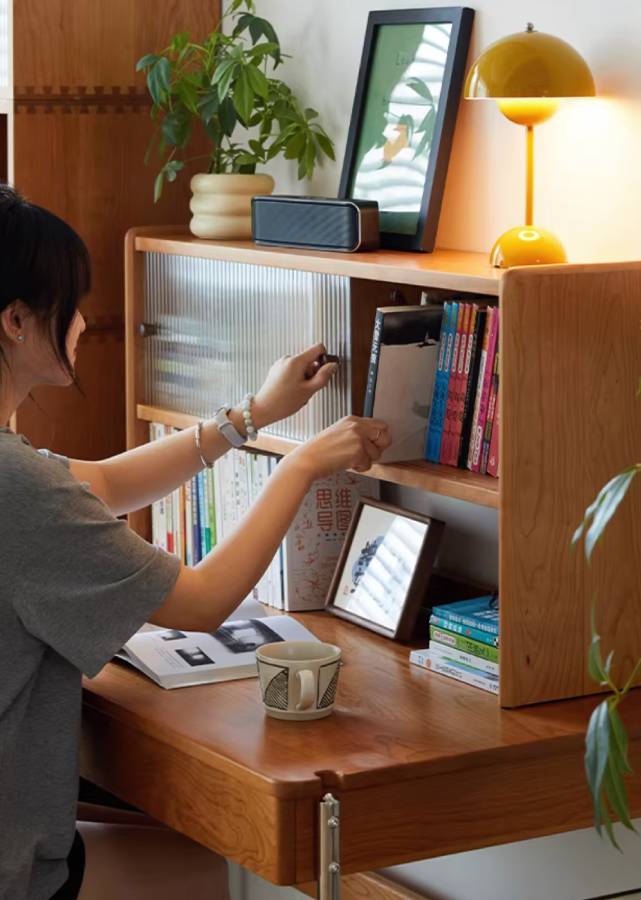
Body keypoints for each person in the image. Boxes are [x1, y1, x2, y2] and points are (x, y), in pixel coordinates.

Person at [0, 184, 391, 900]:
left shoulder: (14, 472)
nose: (85, 324)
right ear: (18, 320)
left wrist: (254, 415)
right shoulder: (14, 486)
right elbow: (203, 601)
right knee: (233, 873)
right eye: (73, 303)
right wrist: (301, 463)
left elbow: (104, 484)